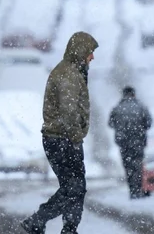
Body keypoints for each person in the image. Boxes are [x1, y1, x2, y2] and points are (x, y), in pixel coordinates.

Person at [22, 32, 99, 234]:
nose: (92, 57)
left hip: (60, 138)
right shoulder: (68, 75)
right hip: (62, 139)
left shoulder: (70, 71)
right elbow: (69, 111)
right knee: (74, 188)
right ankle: (42, 221)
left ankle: (64, 227)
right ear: (81, 51)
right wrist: (75, 137)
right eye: (90, 52)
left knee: (73, 187)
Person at [108, 86, 152, 199]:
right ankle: (139, 189)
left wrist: (122, 129)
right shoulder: (141, 107)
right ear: (134, 94)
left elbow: (111, 123)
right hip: (138, 141)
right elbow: (148, 123)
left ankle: (133, 190)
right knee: (138, 165)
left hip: (124, 142)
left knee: (128, 166)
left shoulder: (118, 108)